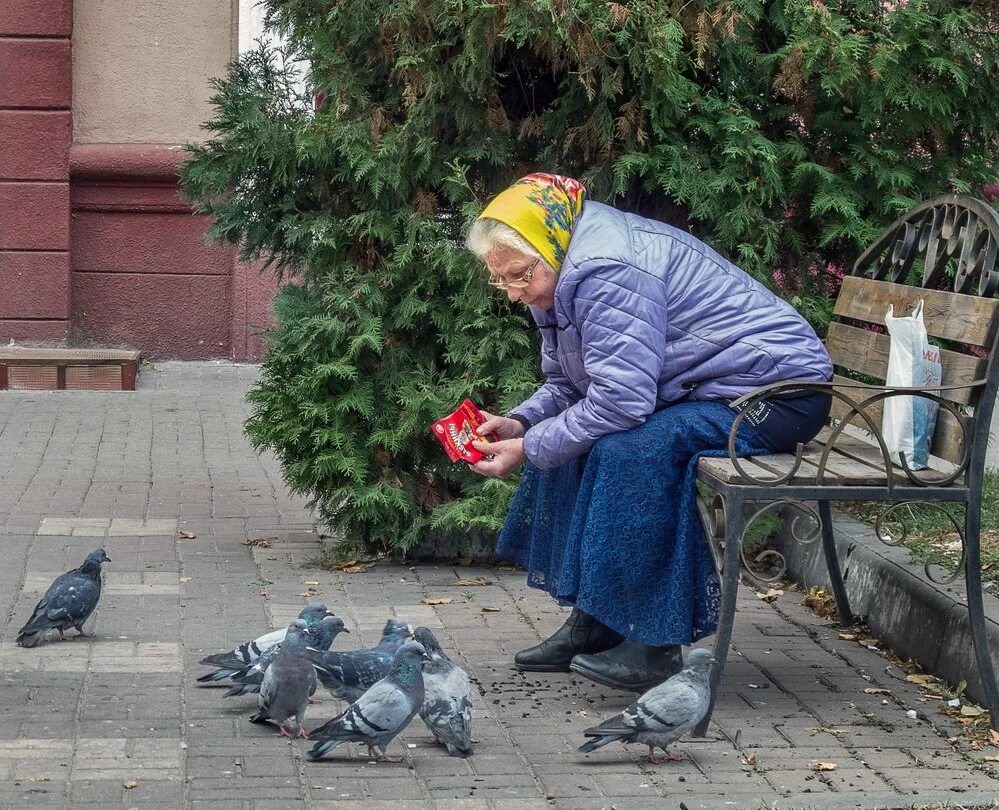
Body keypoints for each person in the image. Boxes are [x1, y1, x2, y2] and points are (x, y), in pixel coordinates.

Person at [464, 173, 832, 692]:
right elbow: (571, 384)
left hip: (778, 395)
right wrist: (523, 421)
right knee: (570, 440)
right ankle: (596, 621)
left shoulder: (606, 269)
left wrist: (528, 448)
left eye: (519, 276)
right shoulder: (558, 271)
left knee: (637, 451)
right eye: (499, 279)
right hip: (714, 389)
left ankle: (654, 644)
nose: (512, 293)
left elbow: (621, 400)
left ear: (551, 246)